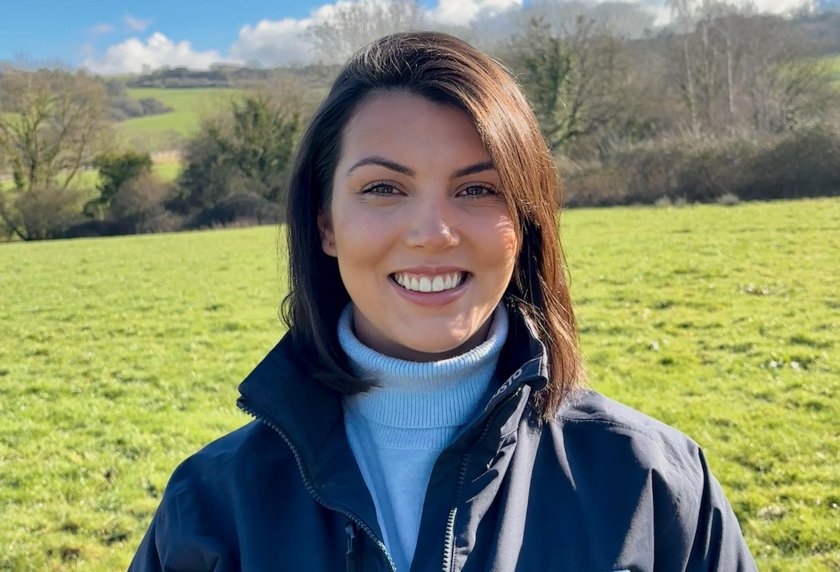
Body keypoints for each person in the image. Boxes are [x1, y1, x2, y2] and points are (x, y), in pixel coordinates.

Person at [129, 32, 756, 571]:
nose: (433, 232)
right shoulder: (210, 508)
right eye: (382, 187)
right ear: (325, 224)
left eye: (478, 188)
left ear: (525, 220)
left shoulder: (652, 482)